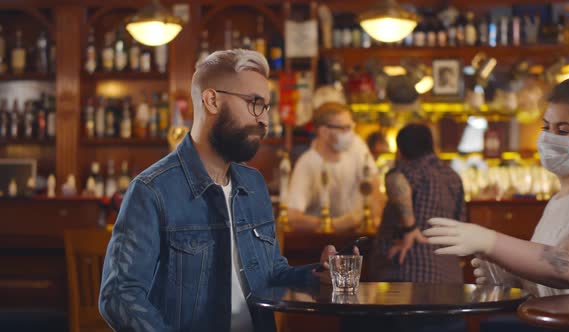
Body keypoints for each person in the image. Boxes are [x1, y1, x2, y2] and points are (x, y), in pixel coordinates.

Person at [99, 49, 337, 332]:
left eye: (266, 107)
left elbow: (269, 274)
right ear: (212, 100)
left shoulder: (254, 185)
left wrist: (316, 275)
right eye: (254, 103)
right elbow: (119, 296)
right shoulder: (152, 190)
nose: (264, 121)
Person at [425, 74, 569, 330]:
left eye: (564, 130)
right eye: (546, 127)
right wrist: (517, 276)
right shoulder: (560, 199)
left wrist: (489, 241)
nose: (549, 138)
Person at [370, 124, 465, 284]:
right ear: (432, 146)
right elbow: (459, 226)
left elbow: (394, 179)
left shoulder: (407, 171)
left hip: (404, 273)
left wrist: (410, 228)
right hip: (449, 277)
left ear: (399, 151)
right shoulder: (452, 177)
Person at [286, 102, 384, 232]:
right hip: (324, 242)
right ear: (324, 132)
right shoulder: (306, 164)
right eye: (344, 129)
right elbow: (293, 217)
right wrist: (336, 224)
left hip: (359, 236)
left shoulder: (356, 146)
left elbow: (374, 185)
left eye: (351, 127)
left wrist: (376, 220)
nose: (351, 134)